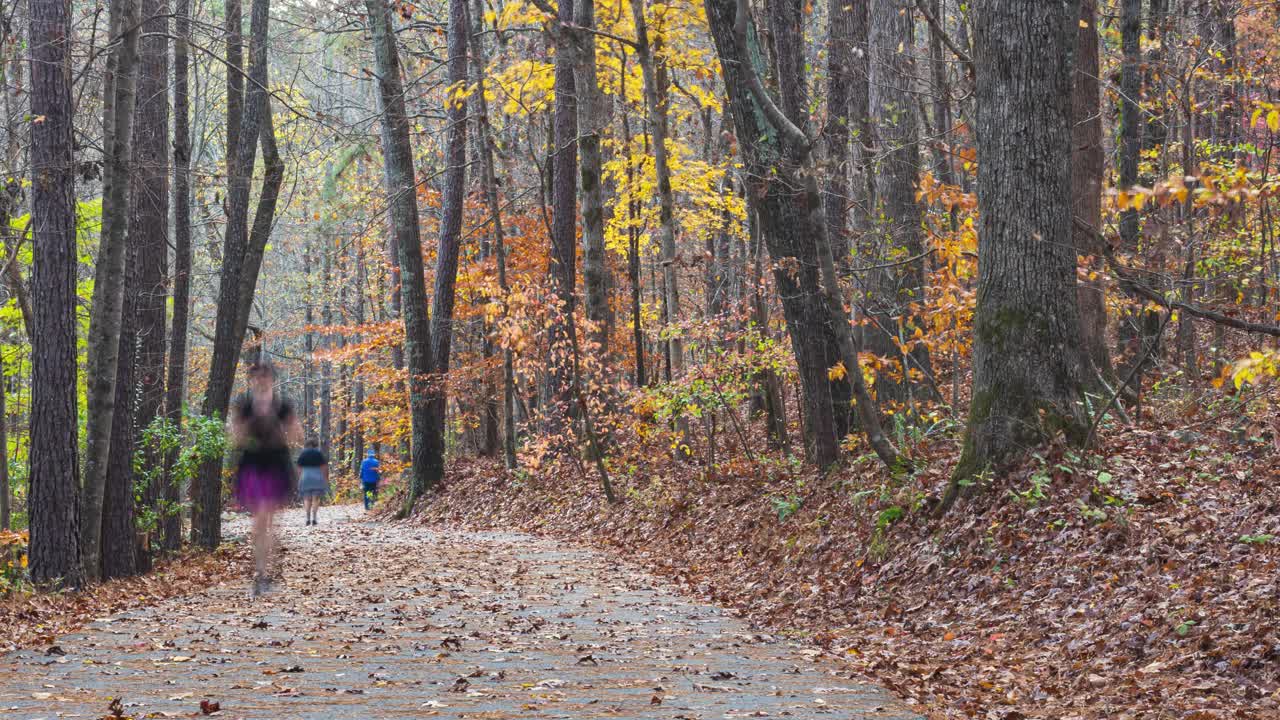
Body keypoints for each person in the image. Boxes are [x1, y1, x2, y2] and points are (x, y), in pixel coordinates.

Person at [230, 361, 301, 598]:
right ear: (251, 380)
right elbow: (236, 436)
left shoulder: (283, 405)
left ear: (272, 379)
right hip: (253, 464)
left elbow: (296, 435)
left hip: (276, 463)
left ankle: (269, 564)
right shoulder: (244, 405)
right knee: (261, 518)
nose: (261, 381)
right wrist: (247, 427)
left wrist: (282, 428)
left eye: (265, 377)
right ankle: (261, 572)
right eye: (256, 377)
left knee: (271, 520)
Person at [296, 439, 328, 526]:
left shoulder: (303, 454)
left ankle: (307, 518)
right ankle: (314, 518)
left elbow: (298, 468)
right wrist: (325, 478)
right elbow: (324, 467)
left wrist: (300, 478)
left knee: (306, 499)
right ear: (316, 445)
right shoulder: (319, 453)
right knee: (316, 499)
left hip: (305, 477)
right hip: (317, 477)